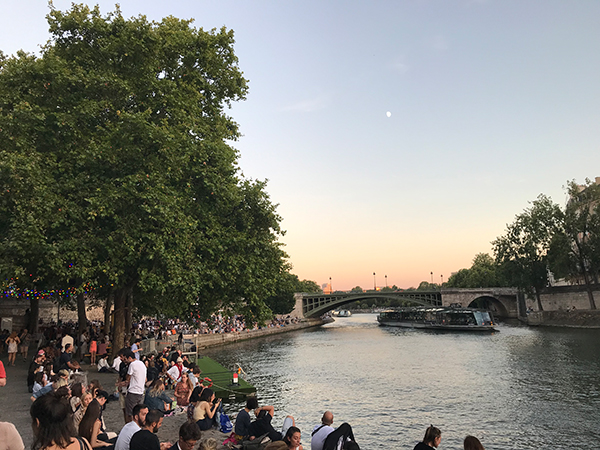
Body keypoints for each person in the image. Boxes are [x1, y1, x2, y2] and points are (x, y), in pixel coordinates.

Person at [122, 349, 147, 423]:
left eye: (125, 359)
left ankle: (131, 428)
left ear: (130, 358)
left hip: (133, 391)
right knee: (138, 412)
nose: (125, 361)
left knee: (130, 414)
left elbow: (128, 378)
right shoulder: (142, 363)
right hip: (141, 391)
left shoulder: (132, 365)